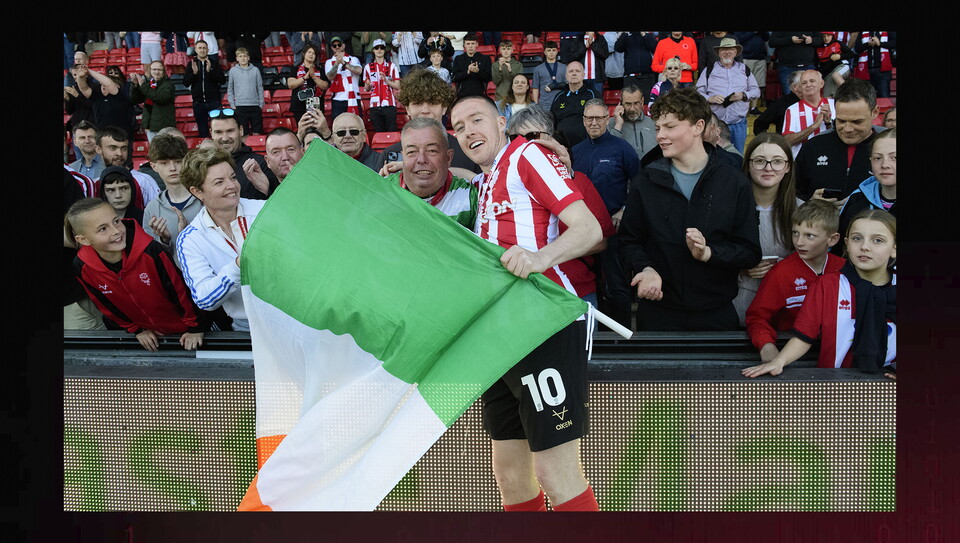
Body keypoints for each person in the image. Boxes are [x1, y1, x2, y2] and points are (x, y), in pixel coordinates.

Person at [450, 93, 602, 512]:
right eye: (459, 128)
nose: (468, 132)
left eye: (476, 120)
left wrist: (541, 257)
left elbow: (588, 229)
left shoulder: (527, 155)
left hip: (542, 325)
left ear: (503, 122)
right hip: (500, 335)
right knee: (511, 476)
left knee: (555, 473)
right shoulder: (487, 180)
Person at [619, 87, 761, 331]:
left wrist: (709, 253)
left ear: (698, 127)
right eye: (657, 128)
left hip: (716, 315)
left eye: (670, 127)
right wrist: (646, 268)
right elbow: (629, 241)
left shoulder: (734, 182)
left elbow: (749, 251)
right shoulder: (646, 180)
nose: (660, 136)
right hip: (658, 314)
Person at [743, 209, 896, 377]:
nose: (864, 247)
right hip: (835, 383)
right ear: (846, 243)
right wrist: (779, 361)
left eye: (878, 240)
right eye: (857, 238)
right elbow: (804, 335)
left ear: (895, 248)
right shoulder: (827, 284)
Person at [506, 105, 615, 310]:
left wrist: (547, 253)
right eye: (515, 139)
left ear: (550, 138)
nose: (524, 146)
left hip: (575, 292)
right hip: (525, 294)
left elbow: (602, 240)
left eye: (532, 136)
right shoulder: (504, 186)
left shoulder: (578, 181)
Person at [66, 198, 206, 352]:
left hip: (187, 332)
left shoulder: (151, 251)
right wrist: (136, 329)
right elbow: (105, 304)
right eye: (102, 229)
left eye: (116, 221)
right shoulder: (82, 266)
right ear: (83, 239)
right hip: (150, 338)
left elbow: (180, 291)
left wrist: (195, 327)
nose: (116, 231)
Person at [176, 146, 267, 333]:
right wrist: (238, 266)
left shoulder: (265, 211)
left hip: (290, 318)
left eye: (233, 177)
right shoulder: (190, 239)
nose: (232, 186)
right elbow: (204, 299)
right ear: (197, 191)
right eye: (219, 182)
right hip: (245, 328)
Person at [745, 199, 846, 363]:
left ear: (833, 239)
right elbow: (757, 317)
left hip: (836, 353)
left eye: (809, 236)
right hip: (789, 354)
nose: (799, 242)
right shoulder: (781, 273)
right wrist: (766, 344)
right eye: (795, 233)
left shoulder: (844, 269)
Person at [572, 99, 640, 328]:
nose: (594, 123)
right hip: (581, 231)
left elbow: (639, 185)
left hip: (613, 229)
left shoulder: (622, 149)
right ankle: (593, 336)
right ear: (583, 120)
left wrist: (624, 210)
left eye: (599, 118)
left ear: (607, 120)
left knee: (615, 284)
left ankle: (621, 338)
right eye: (589, 118)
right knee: (588, 284)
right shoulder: (575, 152)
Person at [731, 132, 804, 325]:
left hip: (787, 308)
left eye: (777, 161)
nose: (768, 168)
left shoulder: (802, 210)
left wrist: (783, 266)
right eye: (760, 160)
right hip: (739, 305)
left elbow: (817, 260)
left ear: (788, 166)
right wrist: (741, 266)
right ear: (748, 164)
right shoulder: (729, 208)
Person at [795, 78, 883, 201]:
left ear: (875, 112)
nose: (847, 129)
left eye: (857, 122)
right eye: (841, 121)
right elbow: (793, 195)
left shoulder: (890, 148)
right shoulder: (813, 147)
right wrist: (810, 204)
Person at [380, 69, 480, 174]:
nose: (425, 111)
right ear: (407, 109)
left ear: (444, 107)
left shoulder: (468, 151)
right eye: (418, 103)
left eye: (432, 103)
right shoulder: (389, 154)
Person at [385, 117, 477, 228]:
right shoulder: (381, 191)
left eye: (432, 151)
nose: (421, 159)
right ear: (403, 157)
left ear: (448, 158)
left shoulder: (470, 196)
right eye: (412, 152)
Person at [836, 128, 896, 253]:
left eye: (894, 157)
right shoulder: (857, 199)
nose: (885, 164)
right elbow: (840, 248)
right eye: (877, 158)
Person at [695, 37, 759, 153]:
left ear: (735, 52)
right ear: (719, 53)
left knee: (738, 155)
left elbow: (756, 91)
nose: (727, 52)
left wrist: (743, 95)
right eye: (724, 49)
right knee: (714, 154)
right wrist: (710, 98)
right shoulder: (709, 70)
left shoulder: (744, 69)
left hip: (738, 123)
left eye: (731, 49)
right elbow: (698, 92)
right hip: (716, 124)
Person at [142, 134, 203, 252]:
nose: (172, 168)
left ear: (186, 162)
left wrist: (188, 235)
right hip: (171, 269)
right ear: (153, 166)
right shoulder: (152, 208)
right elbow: (152, 255)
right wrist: (164, 240)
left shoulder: (204, 198)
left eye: (178, 161)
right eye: (164, 163)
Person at [209, 109, 279, 199]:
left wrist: (267, 190)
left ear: (241, 130)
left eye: (230, 131)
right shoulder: (205, 166)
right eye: (218, 132)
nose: (225, 138)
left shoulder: (261, 164)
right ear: (211, 133)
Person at [93, 125, 161, 206]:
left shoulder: (144, 181)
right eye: (113, 148)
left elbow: (158, 212)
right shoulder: (94, 184)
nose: (120, 153)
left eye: (124, 148)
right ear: (98, 149)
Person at [782, 70, 836, 158]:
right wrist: (814, 126)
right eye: (804, 83)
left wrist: (828, 123)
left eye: (812, 81)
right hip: (802, 162)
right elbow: (787, 141)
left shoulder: (835, 105)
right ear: (800, 87)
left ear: (822, 84)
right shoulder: (792, 110)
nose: (808, 85)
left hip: (831, 159)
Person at [182, 40, 227, 139]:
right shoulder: (191, 64)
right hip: (199, 103)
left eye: (204, 48)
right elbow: (185, 83)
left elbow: (222, 80)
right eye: (200, 48)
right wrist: (194, 74)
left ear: (208, 50)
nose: (202, 50)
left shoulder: (214, 63)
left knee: (218, 129)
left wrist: (210, 71)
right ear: (196, 50)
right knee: (203, 132)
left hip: (214, 102)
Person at [549, 61, 596, 148]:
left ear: (583, 75)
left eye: (577, 71)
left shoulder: (592, 94)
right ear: (566, 76)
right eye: (571, 71)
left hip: (586, 145)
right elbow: (551, 121)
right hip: (561, 147)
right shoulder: (559, 97)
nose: (574, 73)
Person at [130, 60, 176, 142]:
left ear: (164, 71)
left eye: (159, 70)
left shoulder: (168, 85)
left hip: (163, 126)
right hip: (149, 125)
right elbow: (135, 99)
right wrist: (135, 85)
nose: (156, 72)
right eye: (154, 69)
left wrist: (142, 85)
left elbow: (159, 98)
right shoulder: (148, 85)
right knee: (154, 152)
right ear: (150, 71)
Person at [362, 39, 402, 133]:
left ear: (385, 50)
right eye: (377, 48)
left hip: (389, 105)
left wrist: (386, 80)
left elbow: (397, 86)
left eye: (382, 48)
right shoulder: (368, 67)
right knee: (378, 133)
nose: (379, 50)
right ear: (373, 50)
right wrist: (369, 85)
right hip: (374, 106)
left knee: (392, 132)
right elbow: (367, 89)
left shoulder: (392, 66)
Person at [286, 44, 330, 125]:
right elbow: (291, 84)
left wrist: (314, 77)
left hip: (316, 107)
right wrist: (304, 77)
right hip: (299, 106)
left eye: (314, 53)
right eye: (309, 52)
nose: (311, 54)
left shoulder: (320, 70)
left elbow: (325, 86)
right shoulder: (295, 69)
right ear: (304, 54)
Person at [227, 47, 265, 136]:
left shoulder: (255, 70)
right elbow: (230, 88)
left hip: (255, 106)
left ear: (248, 57)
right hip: (240, 106)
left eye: (244, 56)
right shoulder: (233, 71)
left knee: (257, 131)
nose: (243, 58)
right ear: (237, 58)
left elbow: (260, 87)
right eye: (240, 56)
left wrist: (261, 104)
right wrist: (232, 104)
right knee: (243, 133)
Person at [325, 36, 364, 120]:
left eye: (339, 45)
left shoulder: (353, 59)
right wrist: (336, 63)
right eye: (334, 46)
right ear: (332, 48)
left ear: (343, 45)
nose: (337, 47)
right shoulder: (329, 62)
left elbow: (359, 71)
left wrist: (343, 62)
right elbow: (330, 77)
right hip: (338, 99)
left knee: (356, 123)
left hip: (353, 97)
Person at [753, 69, 802, 136]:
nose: (810, 85)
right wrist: (769, 142)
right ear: (795, 87)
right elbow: (760, 123)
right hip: (786, 144)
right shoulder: (781, 104)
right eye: (805, 82)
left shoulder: (816, 102)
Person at [616, 31, 659, 100]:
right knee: (631, 100)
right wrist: (624, 33)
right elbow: (618, 48)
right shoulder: (626, 36)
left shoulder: (648, 35)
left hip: (647, 77)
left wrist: (644, 34)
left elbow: (655, 49)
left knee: (648, 101)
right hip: (630, 77)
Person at [853, 32, 896, 99]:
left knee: (884, 97)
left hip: (882, 70)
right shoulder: (863, 32)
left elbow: (894, 43)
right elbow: (857, 48)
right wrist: (867, 44)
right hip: (866, 70)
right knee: (866, 98)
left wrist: (880, 43)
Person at [451, 34, 493, 99]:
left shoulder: (485, 58)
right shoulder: (458, 59)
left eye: (473, 43)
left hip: (480, 94)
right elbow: (454, 77)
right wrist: (467, 72)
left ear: (477, 44)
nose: (470, 46)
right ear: (464, 45)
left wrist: (478, 71)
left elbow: (488, 77)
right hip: (462, 95)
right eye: (468, 44)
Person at [816, 32, 855, 98]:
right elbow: (818, 67)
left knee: (835, 75)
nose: (826, 38)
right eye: (823, 36)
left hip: (842, 66)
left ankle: (852, 96)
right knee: (827, 98)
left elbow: (851, 54)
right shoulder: (818, 49)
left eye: (828, 36)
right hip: (828, 73)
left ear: (832, 36)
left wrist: (840, 56)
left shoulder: (838, 43)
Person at [531, 41, 567, 112]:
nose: (551, 52)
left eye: (553, 50)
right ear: (544, 52)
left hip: (560, 102)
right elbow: (535, 87)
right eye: (549, 50)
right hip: (544, 104)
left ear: (557, 52)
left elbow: (567, 85)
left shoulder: (564, 67)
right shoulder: (538, 68)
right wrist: (536, 103)